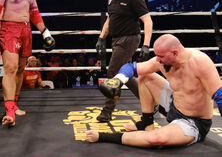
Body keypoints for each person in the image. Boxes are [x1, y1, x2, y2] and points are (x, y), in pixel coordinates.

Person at [86, 34, 222, 147]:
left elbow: (220, 96)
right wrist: (118, 80)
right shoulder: (162, 60)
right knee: (145, 76)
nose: (157, 59)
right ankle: (146, 121)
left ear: (175, 53)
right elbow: (132, 67)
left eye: (161, 56)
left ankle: (106, 137)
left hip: (193, 122)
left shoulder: (199, 62)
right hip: (174, 105)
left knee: (156, 139)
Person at [95, 0, 153, 122]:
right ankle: (149, 101)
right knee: (126, 74)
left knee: (113, 72)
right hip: (115, 40)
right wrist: (101, 38)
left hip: (129, 39)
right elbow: (109, 19)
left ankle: (107, 111)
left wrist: (146, 45)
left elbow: (147, 20)